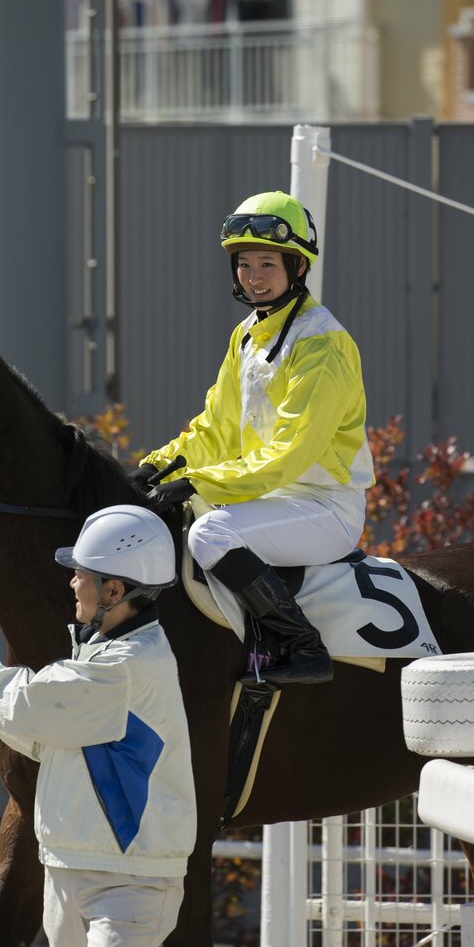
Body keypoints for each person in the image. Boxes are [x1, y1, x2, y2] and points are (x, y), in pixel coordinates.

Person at [0, 504, 197, 947]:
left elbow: (34, 706)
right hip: (67, 872)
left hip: (131, 887)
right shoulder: (103, 655)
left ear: (114, 591)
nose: (72, 579)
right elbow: (45, 734)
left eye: (82, 571)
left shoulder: (124, 664)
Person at [132, 190, 374, 685]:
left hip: (325, 508)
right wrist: (158, 466)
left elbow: (290, 453)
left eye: (268, 263)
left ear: (298, 268)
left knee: (210, 532)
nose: (254, 276)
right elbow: (216, 428)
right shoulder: (247, 334)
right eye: (244, 264)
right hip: (272, 498)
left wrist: (198, 483)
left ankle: (300, 645)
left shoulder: (323, 344)